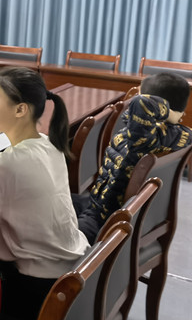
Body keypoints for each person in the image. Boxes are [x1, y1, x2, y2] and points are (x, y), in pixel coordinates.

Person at [0, 67, 89, 320]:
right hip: (73, 271)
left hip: (40, 291)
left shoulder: (5, 167)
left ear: (20, 109)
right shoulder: (49, 144)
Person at [76, 73, 191, 243]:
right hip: (97, 204)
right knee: (52, 202)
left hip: (103, 220)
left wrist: (169, 113)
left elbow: (140, 103)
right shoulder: (169, 135)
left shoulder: (145, 140)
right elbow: (137, 110)